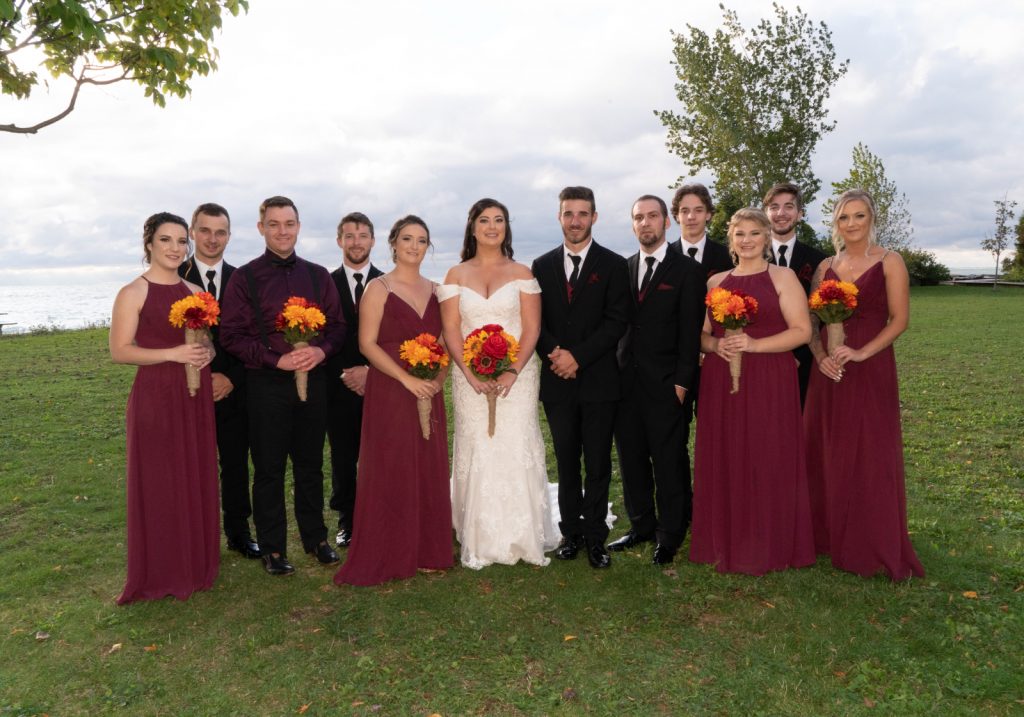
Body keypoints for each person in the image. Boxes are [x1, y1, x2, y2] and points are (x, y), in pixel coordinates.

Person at [220, 196, 345, 576]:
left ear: (298, 226)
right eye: (273, 224)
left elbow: (338, 327)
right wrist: (277, 359)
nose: (282, 231)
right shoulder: (245, 278)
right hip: (266, 385)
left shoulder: (318, 275)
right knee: (269, 469)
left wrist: (320, 353)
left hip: (315, 382)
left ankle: (316, 538)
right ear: (261, 228)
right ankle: (273, 548)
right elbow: (231, 335)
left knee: (310, 464)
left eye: (288, 223)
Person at [803, 189, 924, 580]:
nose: (851, 224)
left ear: (872, 218)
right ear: (835, 223)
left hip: (870, 366)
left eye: (858, 216)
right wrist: (821, 357)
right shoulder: (825, 266)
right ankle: (827, 534)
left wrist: (861, 353)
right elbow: (812, 324)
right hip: (829, 371)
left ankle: (869, 539)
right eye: (843, 218)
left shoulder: (890, 262)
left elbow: (899, 320)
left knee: (871, 450)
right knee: (827, 446)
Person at [689, 208, 816, 575]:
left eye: (754, 234)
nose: (746, 241)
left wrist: (752, 345)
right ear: (731, 239)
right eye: (739, 234)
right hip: (720, 380)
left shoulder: (783, 277)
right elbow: (701, 334)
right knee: (726, 453)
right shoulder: (716, 282)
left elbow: (801, 331)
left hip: (769, 378)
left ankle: (769, 540)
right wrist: (714, 347)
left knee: (766, 453)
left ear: (766, 238)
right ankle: (723, 538)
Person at [439, 198, 558, 569]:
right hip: (468, 377)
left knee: (515, 441)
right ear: (472, 227)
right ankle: (476, 533)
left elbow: (533, 327)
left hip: (517, 377)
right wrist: (471, 374)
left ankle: (522, 534)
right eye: (484, 220)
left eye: (499, 220)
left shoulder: (523, 272)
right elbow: (452, 328)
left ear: (507, 227)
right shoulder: (455, 275)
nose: (492, 226)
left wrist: (511, 370)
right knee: (477, 444)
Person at [335, 216, 453, 586]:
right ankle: (389, 548)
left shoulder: (438, 291)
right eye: (407, 239)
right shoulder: (378, 288)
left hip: (427, 392)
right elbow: (366, 343)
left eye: (421, 240)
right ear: (393, 244)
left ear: (428, 247)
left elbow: (446, 341)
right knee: (390, 466)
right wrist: (405, 379)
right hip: (391, 390)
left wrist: (436, 380)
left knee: (426, 464)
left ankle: (428, 549)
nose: (414, 246)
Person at [109, 212, 219, 603]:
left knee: (193, 471)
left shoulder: (194, 289)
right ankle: (162, 570)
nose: (175, 248)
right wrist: (174, 353)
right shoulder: (133, 292)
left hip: (195, 394)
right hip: (156, 395)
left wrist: (206, 354)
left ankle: (195, 562)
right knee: (161, 479)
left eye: (180, 241)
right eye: (166, 240)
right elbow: (120, 351)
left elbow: (204, 341)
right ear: (149, 245)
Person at [531, 186, 629, 569]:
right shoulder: (541, 265)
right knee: (567, 460)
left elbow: (616, 322)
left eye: (583, 213)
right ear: (559, 217)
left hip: (599, 380)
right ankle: (570, 533)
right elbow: (535, 322)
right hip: (557, 380)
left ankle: (595, 538)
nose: (575, 221)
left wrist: (579, 358)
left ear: (594, 217)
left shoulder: (613, 264)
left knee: (598, 462)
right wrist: (557, 356)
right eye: (568, 213)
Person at [609, 195, 705, 565]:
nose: (645, 223)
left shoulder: (687, 271)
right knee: (631, 459)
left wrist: (682, 384)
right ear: (632, 225)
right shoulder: (624, 268)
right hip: (624, 385)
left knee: (669, 461)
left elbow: (690, 333)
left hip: (667, 385)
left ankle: (671, 532)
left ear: (667, 222)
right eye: (638, 218)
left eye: (652, 216)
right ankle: (641, 526)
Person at [179, 203, 259, 560]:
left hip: (234, 389)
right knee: (185, 463)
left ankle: (238, 532)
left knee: (235, 464)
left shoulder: (245, 280)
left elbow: (257, 338)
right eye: (205, 231)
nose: (213, 239)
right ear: (193, 233)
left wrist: (232, 378)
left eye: (221, 232)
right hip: (183, 388)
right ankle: (190, 535)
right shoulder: (172, 275)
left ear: (229, 235)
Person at [325, 212, 384, 548]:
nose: (357, 242)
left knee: (380, 454)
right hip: (338, 386)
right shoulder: (324, 284)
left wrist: (370, 372)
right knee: (343, 457)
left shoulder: (388, 283)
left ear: (373, 241)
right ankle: (346, 520)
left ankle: (379, 516)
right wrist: (347, 373)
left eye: (363, 235)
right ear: (340, 241)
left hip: (382, 384)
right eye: (350, 236)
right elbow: (316, 335)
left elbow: (391, 338)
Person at [763, 182, 827, 406]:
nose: (781, 213)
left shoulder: (819, 259)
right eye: (774, 207)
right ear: (765, 213)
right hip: (759, 360)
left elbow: (821, 314)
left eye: (788, 207)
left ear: (800, 214)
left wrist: (799, 356)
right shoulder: (747, 257)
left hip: (804, 364)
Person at [669, 183, 733, 281]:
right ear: (677, 216)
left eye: (698, 210)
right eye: (685, 211)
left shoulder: (727, 256)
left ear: (708, 214)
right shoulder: (664, 256)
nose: (691, 217)